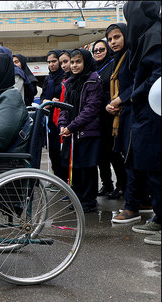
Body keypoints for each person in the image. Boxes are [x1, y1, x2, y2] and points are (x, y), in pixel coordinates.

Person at [122, 1, 161, 245]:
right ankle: (159, 216)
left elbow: (158, 75)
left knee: (157, 166)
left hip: (154, 113)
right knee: (149, 166)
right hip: (145, 112)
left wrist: (135, 94)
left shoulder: (155, 35)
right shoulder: (149, 35)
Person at [105, 23, 151, 224]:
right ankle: (142, 200)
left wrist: (121, 100)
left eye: (117, 37)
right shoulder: (117, 59)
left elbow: (138, 82)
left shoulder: (132, 54)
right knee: (130, 159)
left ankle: (132, 207)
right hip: (124, 114)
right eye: (110, 39)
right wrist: (112, 104)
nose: (113, 42)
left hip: (136, 113)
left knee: (131, 160)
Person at [58, 49, 103, 213]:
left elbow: (91, 109)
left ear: (85, 62)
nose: (74, 65)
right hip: (71, 133)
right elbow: (64, 107)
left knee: (87, 168)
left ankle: (89, 202)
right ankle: (77, 199)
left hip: (87, 132)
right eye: (72, 62)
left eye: (78, 62)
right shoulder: (70, 82)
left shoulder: (93, 80)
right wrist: (62, 124)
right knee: (74, 167)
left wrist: (72, 126)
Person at [92, 40, 126, 199]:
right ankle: (106, 184)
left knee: (113, 153)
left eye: (101, 49)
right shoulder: (93, 68)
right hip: (97, 117)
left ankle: (121, 185)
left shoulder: (112, 65)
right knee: (100, 154)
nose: (98, 52)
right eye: (95, 50)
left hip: (111, 115)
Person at [40, 49, 67, 185]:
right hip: (50, 119)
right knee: (53, 150)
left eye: (54, 61)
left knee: (62, 150)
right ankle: (57, 178)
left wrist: (59, 100)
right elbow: (43, 95)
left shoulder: (65, 77)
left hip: (62, 118)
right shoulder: (48, 78)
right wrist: (45, 101)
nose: (51, 64)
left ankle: (64, 180)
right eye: (49, 62)